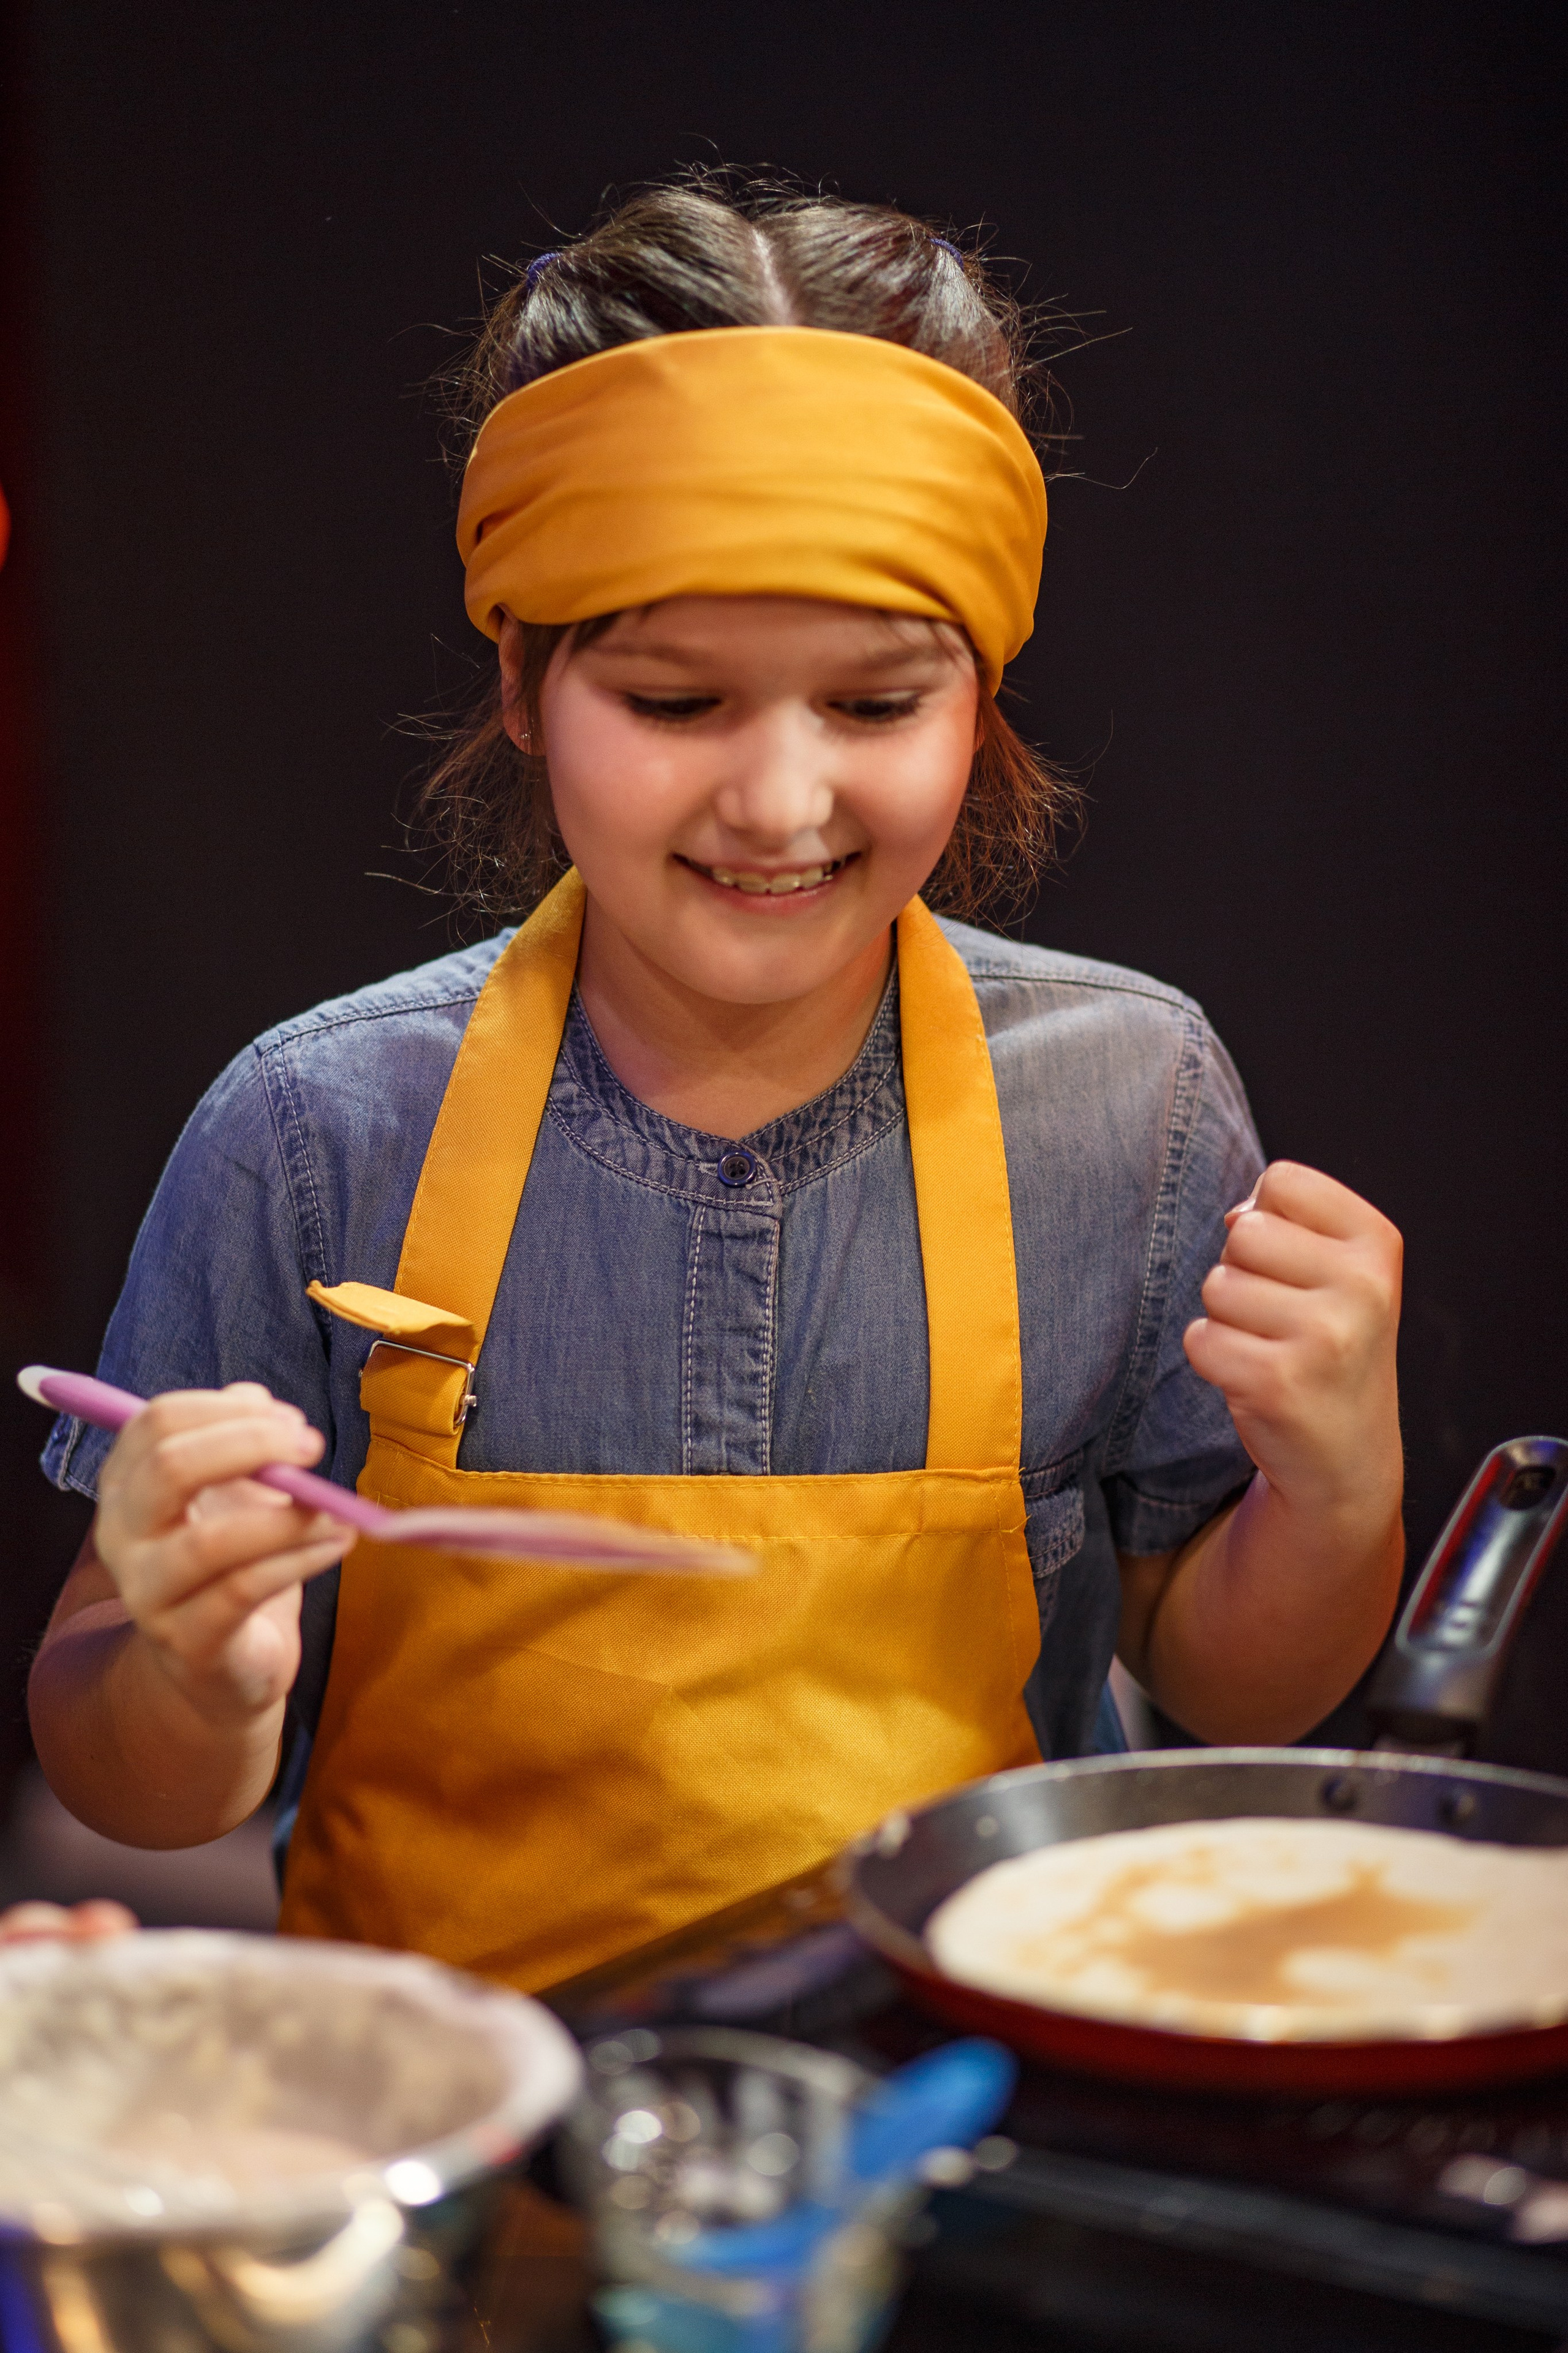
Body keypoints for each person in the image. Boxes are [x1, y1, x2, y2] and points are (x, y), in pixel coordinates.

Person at [27, 180, 1403, 1993]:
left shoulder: (1127, 1101)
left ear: (981, 693)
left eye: (873, 702)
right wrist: (195, 1672)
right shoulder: (318, 1125)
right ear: (521, 681)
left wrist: (1341, 1486)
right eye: (678, 703)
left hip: (963, 2135)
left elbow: (1229, 1681)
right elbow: (128, 1776)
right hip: (457, 2141)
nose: (778, 799)